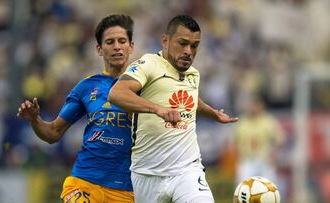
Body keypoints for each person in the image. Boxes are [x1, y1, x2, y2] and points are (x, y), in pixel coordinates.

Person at [108, 15, 238, 203]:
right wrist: (157, 109)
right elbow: (117, 93)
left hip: (187, 170)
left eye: (194, 46)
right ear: (165, 41)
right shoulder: (148, 64)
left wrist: (213, 113)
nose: (188, 51)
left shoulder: (193, 74)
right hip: (147, 173)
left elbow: (190, 100)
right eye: (183, 43)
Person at [17, 14, 135, 203]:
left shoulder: (146, 87)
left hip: (127, 190)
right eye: (110, 42)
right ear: (99, 49)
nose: (116, 47)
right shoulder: (86, 87)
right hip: (85, 182)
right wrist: (35, 119)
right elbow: (53, 133)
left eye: (122, 41)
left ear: (131, 46)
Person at [233, 95, 285, 186]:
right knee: (243, 187)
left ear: (262, 106)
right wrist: (238, 156)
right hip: (247, 160)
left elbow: (280, 140)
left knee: (269, 188)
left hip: (265, 160)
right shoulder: (242, 121)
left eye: (256, 105)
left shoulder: (268, 121)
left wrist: (274, 155)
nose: (254, 108)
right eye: (252, 105)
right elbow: (235, 141)